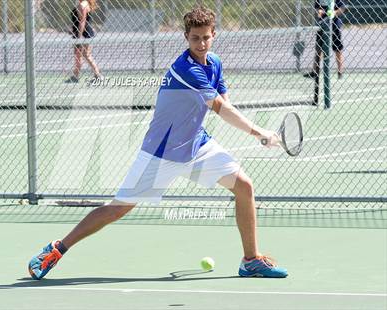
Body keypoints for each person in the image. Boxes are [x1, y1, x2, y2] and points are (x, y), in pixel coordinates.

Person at [29, 6, 288, 280]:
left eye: (205, 37)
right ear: (186, 37)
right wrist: (259, 132)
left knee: (244, 187)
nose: (201, 44)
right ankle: (58, 249)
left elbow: (225, 101)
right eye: (195, 38)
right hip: (161, 154)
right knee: (117, 209)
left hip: (196, 145)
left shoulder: (214, 63)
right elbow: (221, 108)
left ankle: (251, 260)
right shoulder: (185, 68)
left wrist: (253, 130)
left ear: (214, 35)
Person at [304, 0, 346, 79]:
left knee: (337, 48)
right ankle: (314, 71)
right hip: (322, 25)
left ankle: (340, 72)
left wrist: (334, 13)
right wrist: (319, 11)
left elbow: (342, 7)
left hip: (335, 25)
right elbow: (317, 8)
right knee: (319, 49)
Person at [65, 0, 102, 83]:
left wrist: (79, 36)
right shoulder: (81, 4)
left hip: (83, 34)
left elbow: (82, 22)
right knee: (80, 55)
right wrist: (73, 30)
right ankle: (77, 75)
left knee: (84, 54)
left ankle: (97, 75)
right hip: (79, 33)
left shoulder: (83, 5)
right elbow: (77, 21)